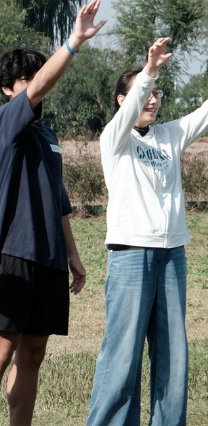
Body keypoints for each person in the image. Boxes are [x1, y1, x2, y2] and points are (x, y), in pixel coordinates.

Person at [0, 0, 105, 426]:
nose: (33, 83)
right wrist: (74, 41)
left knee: (33, 353)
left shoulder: (47, 135)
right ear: (7, 89)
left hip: (50, 260)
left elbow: (57, 199)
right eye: (24, 79)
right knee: (0, 350)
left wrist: (73, 255)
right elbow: (44, 84)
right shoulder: (4, 121)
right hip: (13, 254)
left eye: (34, 75)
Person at [86, 37, 203, 426]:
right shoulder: (115, 137)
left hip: (172, 255)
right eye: (145, 92)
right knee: (123, 354)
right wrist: (150, 71)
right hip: (131, 253)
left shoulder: (169, 135)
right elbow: (133, 105)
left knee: (173, 355)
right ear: (123, 100)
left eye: (157, 93)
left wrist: (150, 77)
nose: (153, 99)